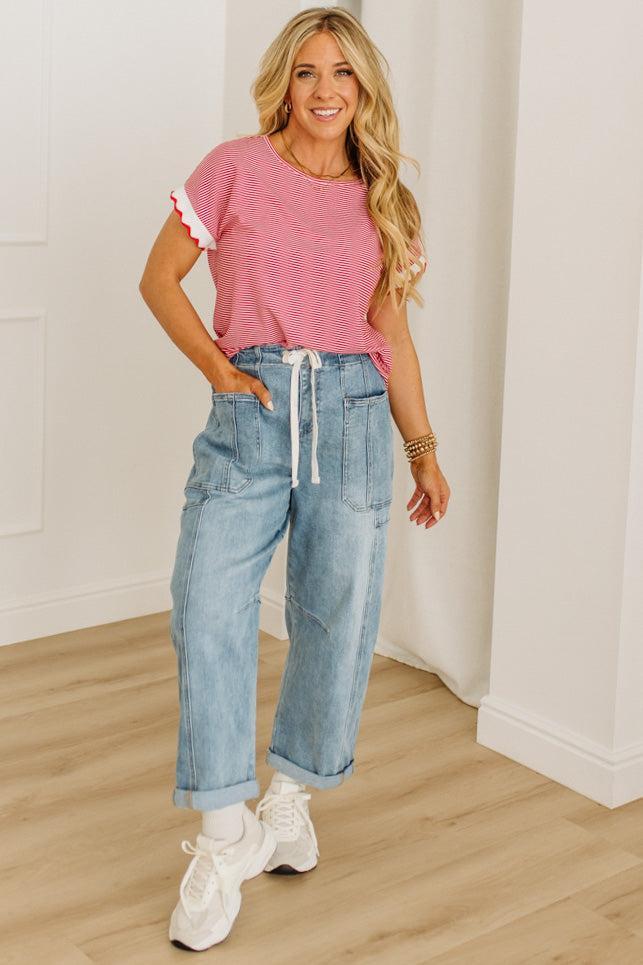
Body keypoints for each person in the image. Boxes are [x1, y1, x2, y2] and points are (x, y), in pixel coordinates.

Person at [139, 5, 450, 953]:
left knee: (336, 609)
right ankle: (222, 833)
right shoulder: (233, 166)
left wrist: (423, 448)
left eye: (343, 74)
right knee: (207, 602)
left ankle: (287, 797)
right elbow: (160, 278)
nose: (324, 91)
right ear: (285, 80)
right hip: (255, 408)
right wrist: (221, 371)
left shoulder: (382, 193)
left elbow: (390, 333)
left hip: (356, 410)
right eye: (308, 72)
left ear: (364, 89)